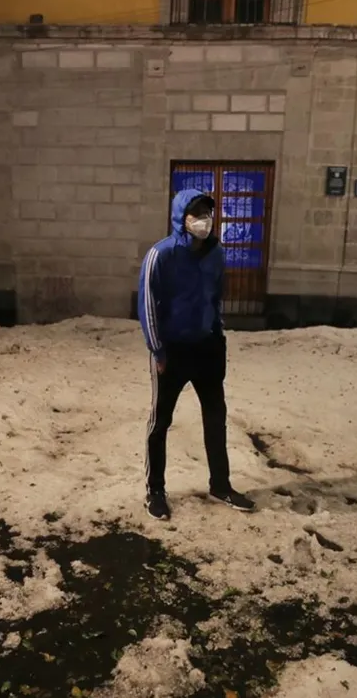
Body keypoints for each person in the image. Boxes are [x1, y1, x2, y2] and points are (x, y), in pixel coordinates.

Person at [137, 189, 255, 520]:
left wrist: (218, 335)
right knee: (160, 421)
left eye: (207, 212)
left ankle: (221, 485)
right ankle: (155, 491)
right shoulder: (161, 255)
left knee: (216, 418)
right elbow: (147, 305)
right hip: (172, 350)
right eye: (196, 213)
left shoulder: (216, 254)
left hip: (207, 348)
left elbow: (216, 296)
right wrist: (157, 349)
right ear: (181, 218)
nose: (203, 220)